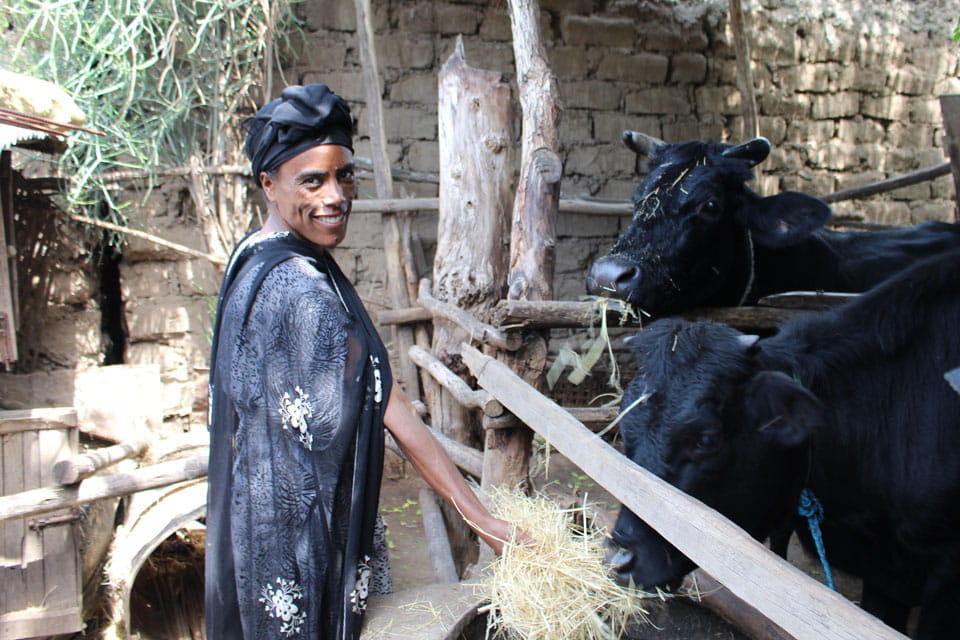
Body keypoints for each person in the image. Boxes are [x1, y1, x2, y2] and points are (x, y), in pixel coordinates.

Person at [204, 83, 520, 639]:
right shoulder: (303, 293)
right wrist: (482, 519)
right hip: (301, 548)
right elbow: (390, 405)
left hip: (255, 528)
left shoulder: (252, 254)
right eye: (312, 180)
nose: (335, 195)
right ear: (268, 185)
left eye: (344, 175)